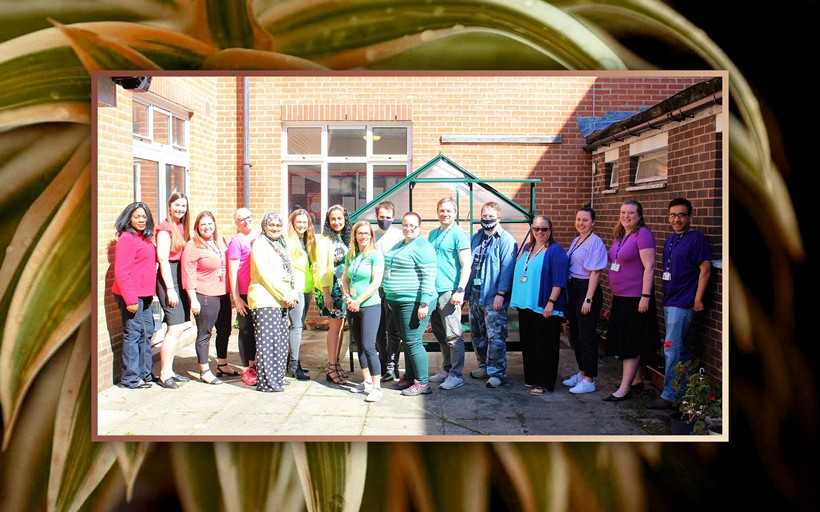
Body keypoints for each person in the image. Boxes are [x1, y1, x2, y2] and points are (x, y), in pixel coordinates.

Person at [648, 198, 712, 409]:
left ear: (689, 216)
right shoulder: (671, 238)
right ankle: (683, 391)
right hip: (669, 299)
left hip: (683, 302)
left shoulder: (697, 239)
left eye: (681, 215)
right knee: (680, 349)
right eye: (673, 215)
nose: (677, 219)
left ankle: (668, 394)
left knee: (670, 348)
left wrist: (698, 298)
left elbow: (705, 269)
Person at [603, 199, 660, 402]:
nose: (626, 216)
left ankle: (625, 388)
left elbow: (650, 267)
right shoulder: (621, 235)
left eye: (631, 213)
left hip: (636, 298)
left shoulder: (642, 235)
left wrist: (645, 296)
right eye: (623, 212)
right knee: (632, 341)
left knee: (631, 344)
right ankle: (636, 380)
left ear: (639, 216)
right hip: (621, 297)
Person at [510, 216, 569, 395]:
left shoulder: (555, 250)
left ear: (550, 230)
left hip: (544, 305)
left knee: (546, 345)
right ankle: (532, 377)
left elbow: (559, 280)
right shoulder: (528, 248)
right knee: (529, 343)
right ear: (531, 230)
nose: (540, 232)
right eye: (536, 229)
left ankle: (545, 382)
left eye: (544, 229)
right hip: (526, 304)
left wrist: (550, 302)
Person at [382, 211, 437, 396]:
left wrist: (424, 303)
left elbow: (429, 275)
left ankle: (422, 383)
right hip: (398, 302)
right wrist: (391, 296)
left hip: (413, 301)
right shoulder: (401, 244)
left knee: (413, 341)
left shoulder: (422, 246)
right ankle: (410, 377)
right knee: (407, 341)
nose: (409, 228)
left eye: (413, 225)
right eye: (406, 224)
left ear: (419, 227)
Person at [466, 201, 518, 388]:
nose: (486, 219)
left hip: (493, 295)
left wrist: (501, 293)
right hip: (475, 294)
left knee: (495, 335)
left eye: (490, 215)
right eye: (484, 215)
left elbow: (507, 268)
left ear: (499, 217)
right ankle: (484, 366)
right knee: (477, 333)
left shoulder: (506, 240)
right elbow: (469, 266)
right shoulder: (477, 237)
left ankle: (497, 371)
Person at [181, 211, 234, 385]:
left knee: (225, 330)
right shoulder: (193, 246)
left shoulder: (220, 241)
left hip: (222, 293)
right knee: (205, 333)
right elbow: (188, 274)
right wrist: (193, 299)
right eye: (203, 224)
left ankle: (222, 364)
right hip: (204, 295)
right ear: (197, 227)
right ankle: (204, 370)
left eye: (210, 223)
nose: (207, 227)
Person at [248, 212, 299, 392]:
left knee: (280, 342)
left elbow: (288, 272)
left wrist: (291, 291)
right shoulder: (260, 244)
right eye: (272, 225)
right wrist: (283, 294)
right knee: (267, 343)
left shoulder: (279, 244)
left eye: (278, 225)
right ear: (264, 226)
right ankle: (267, 382)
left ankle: (277, 377)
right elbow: (265, 274)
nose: (275, 228)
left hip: (280, 300)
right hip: (265, 299)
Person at [561, 206, 608, 394]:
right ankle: (582, 372)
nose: (581, 223)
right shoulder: (576, 240)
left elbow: (595, 273)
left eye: (585, 220)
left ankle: (589, 379)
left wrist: (588, 299)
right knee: (577, 335)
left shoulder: (595, 242)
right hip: (574, 288)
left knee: (587, 336)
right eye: (578, 219)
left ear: (593, 223)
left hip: (587, 290)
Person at [426, 197, 471, 390]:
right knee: (439, 333)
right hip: (432, 291)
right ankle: (445, 368)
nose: (445, 214)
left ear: (455, 213)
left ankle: (456, 374)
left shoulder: (459, 234)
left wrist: (460, 290)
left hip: (449, 291)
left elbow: (466, 265)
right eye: (441, 210)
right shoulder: (432, 234)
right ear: (437, 212)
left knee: (454, 335)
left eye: (449, 211)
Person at [112, 202, 157, 389]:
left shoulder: (144, 238)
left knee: (146, 333)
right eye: (137, 216)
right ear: (128, 218)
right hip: (131, 296)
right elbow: (122, 272)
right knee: (133, 334)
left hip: (145, 296)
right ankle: (130, 378)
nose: (141, 220)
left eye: (144, 216)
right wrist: (130, 300)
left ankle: (145, 374)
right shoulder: (127, 238)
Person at [342, 221, 385, 402]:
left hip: (369, 306)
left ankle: (377, 387)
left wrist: (358, 300)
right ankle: (366, 381)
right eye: (360, 233)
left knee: (368, 346)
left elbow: (376, 283)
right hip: (353, 305)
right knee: (359, 344)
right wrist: (348, 298)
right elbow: (345, 279)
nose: (363, 236)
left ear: (371, 235)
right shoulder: (352, 255)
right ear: (355, 235)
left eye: (367, 233)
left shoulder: (375, 254)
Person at [154, 190, 192, 388]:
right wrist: (170, 289)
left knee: (177, 329)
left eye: (183, 206)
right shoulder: (164, 229)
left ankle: (169, 369)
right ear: (169, 206)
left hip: (179, 277)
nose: (180, 209)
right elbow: (162, 259)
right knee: (174, 327)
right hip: (169, 278)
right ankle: (163, 374)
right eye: (177, 205)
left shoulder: (181, 227)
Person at [314, 205, 352, 385]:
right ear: (328, 221)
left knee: (341, 327)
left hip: (344, 290)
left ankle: (336, 363)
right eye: (333, 219)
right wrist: (327, 293)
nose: (337, 222)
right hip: (332, 290)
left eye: (340, 218)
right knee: (335, 328)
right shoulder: (324, 240)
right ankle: (330, 366)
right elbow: (321, 268)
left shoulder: (344, 238)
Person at [226, 207, 260, 383]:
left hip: (260, 291)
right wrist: (237, 297)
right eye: (241, 219)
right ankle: (248, 367)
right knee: (246, 330)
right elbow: (233, 272)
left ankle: (258, 364)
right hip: (245, 293)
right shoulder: (236, 241)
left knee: (259, 330)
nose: (246, 221)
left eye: (248, 217)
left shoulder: (260, 237)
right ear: (236, 223)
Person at [373, 200, 404, 382]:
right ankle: (382, 363)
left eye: (388, 217)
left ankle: (393, 367)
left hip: (393, 289)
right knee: (379, 330)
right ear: (377, 217)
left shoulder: (399, 237)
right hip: (376, 289)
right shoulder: (371, 235)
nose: (384, 220)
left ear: (393, 217)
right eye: (381, 217)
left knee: (393, 331)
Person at [285, 208, 317, 381]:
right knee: (296, 326)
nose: (302, 225)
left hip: (306, 287)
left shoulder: (306, 241)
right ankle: (294, 364)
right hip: (295, 288)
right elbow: (285, 267)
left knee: (299, 326)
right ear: (292, 223)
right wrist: (289, 290)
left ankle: (294, 362)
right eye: (299, 222)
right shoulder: (288, 241)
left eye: (305, 222)